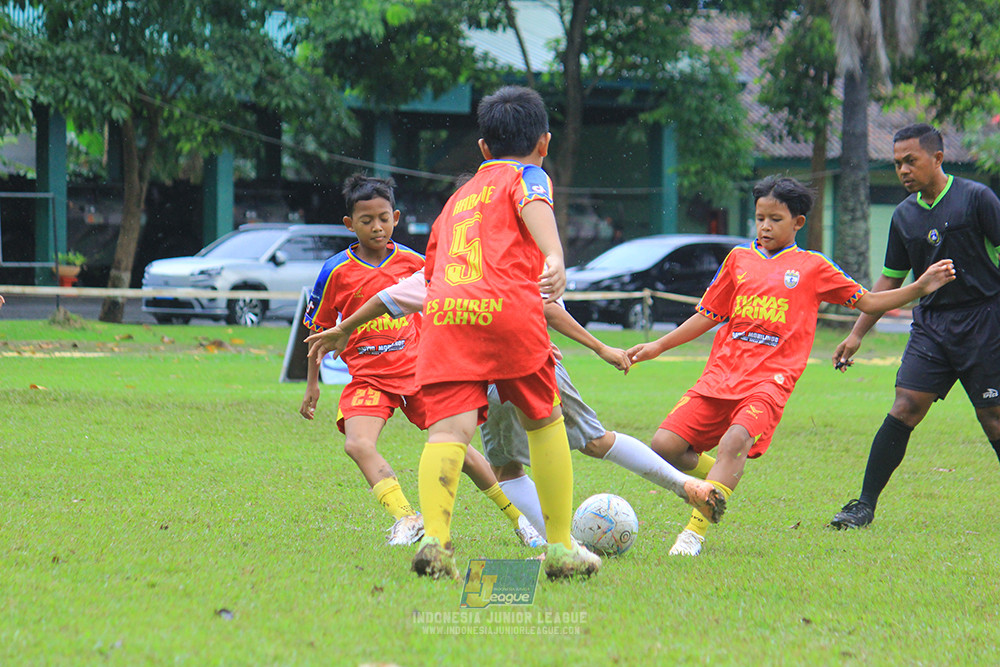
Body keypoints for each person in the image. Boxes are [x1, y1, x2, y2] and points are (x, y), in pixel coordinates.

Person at [626, 175, 956, 556]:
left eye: (775, 219)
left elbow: (867, 301)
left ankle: (694, 533)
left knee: (735, 440)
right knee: (664, 445)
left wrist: (918, 287)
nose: (765, 226)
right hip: (721, 374)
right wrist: (658, 345)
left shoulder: (812, 267)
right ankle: (721, 479)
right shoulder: (739, 259)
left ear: (798, 223)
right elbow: (708, 314)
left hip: (770, 379)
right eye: (760, 217)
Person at [304, 270, 726, 542]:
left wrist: (343, 328)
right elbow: (547, 309)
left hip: (480, 379)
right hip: (536, 364)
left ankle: (557, 543)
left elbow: (387, 299)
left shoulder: (440, 268)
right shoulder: (512, 256)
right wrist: (599, 347)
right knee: (596, 441)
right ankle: (685, 486)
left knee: (505, 468)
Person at [407, 85, 599, 580]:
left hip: (447, 316)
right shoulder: (529, 174)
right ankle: (559, 549)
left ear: (483, 149)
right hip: (509, 311)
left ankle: (435, 541)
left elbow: (432, 273)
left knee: (448, 431)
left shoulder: (455, 200)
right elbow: (535, 201)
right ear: (545, 142)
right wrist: (555, 256)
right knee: (543, 420)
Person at [299, 174, 531, 548]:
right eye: (366, 220)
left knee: (460, 450)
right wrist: (312, 384)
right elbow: (320, 332)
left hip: (422, 372)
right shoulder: (334, 271)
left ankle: (522, 521)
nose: (377, 227)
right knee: (358, 444)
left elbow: (449, 307)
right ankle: (408, 518)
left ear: (396, 217)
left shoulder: (416, 263)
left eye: (384, 218)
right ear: (349, 224)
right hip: (370, 378)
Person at [829, 124, 1000, 529]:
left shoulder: (977, 198)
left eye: (911, 161)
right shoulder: (904, 216)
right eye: (897, 163)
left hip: (986, 321)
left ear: (937, 158)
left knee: (993, 415)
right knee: (905, 406)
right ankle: (863, 506)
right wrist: (856, 334)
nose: (903, 170)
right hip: (933, 326)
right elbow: (889, 280)